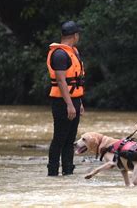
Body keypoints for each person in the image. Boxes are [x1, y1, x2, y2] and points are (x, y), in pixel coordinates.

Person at [46, 21, 85, 176]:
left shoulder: (73, 52)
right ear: (74, 35)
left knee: (70, 139)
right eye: (78, 34)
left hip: (74, 100)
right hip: (62, 102)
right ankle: (53, 172)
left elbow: (76, 81)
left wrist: (78, 103)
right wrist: (69, 105)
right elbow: (61, 81)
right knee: (59, 139)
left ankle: (68, 171)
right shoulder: (60, 54)